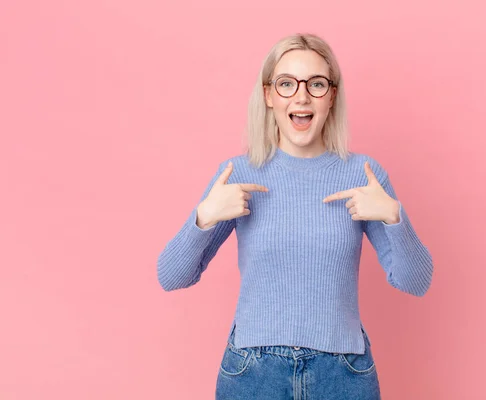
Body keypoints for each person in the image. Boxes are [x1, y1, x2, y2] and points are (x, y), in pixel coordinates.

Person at [157, 33, 434, 400]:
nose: (301, 96)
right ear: (269, 95)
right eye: (287, 84)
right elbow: (170, 276)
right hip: (253, 374)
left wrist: (394, 217)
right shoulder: (238, 174)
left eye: (315, 84)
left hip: (343, 374)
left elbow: (417, 281)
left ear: (331, 96)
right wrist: (204, 217)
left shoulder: (363, 175)